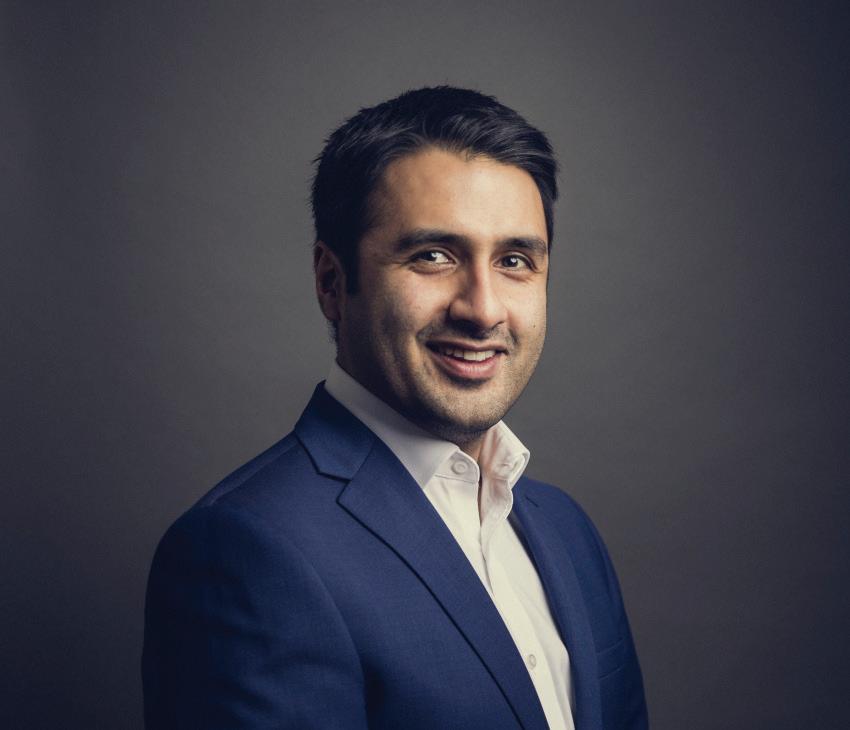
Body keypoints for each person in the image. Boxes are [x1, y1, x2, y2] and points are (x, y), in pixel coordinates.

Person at [142, 86, 648, 730]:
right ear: (332, 282)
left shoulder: (568, 532)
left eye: (515, 260)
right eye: (433, 256)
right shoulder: (244, 551)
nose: (483, 308)